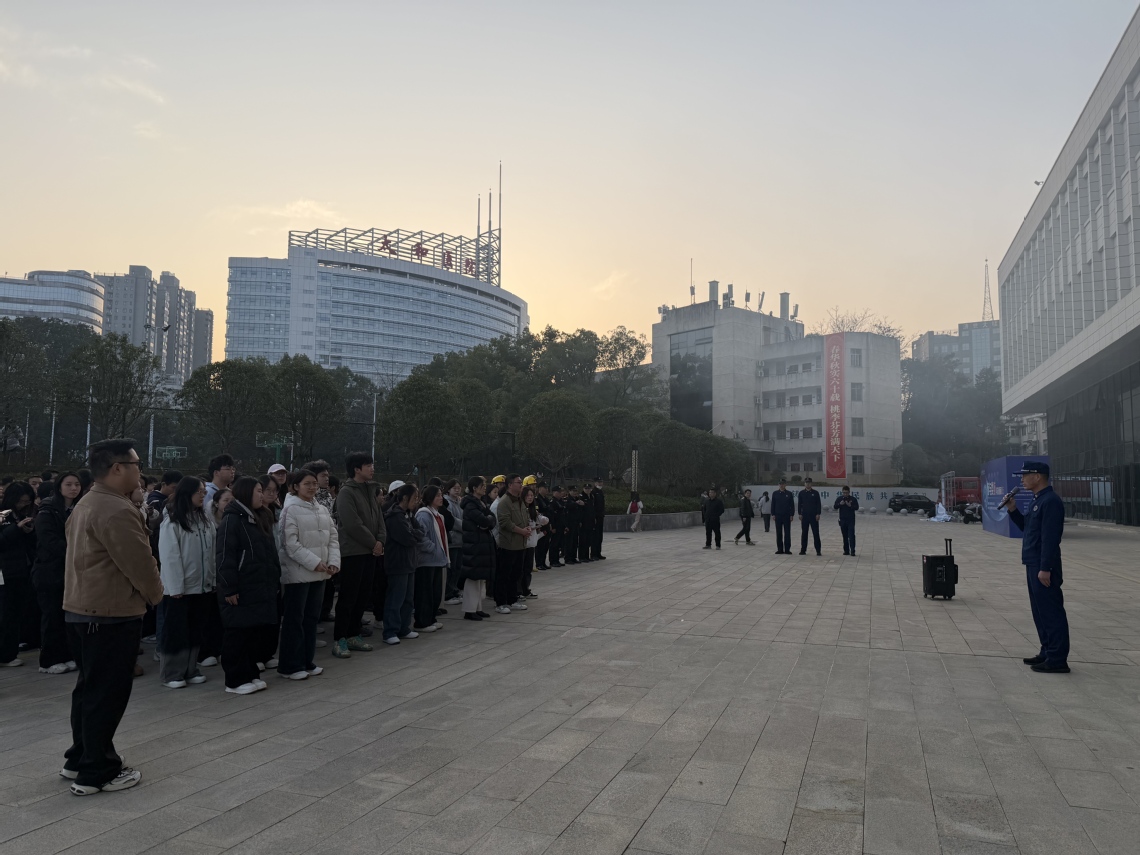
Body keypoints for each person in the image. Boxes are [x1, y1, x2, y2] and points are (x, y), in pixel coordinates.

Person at [61, 438, 163, 795]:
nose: (140, 471)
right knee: (106, 693)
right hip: (109, 613)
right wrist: (156, 596)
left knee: (89, 689)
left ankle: (79, 758)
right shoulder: (116, 509)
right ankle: (97, 771)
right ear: (118, 468)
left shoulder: (89, 501)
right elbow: (141, 564)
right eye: (136, 464)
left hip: (81, 610)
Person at [1001, 461, 1070, 674]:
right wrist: (1012, 509)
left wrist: (1046, 567)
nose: (1021, 479)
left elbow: (1050, 538)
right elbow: (1027, 527)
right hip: (1033, 562)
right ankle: (1047, 651)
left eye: (1025, 475)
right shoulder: (1038, 500)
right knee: (1040, 611)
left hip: (1043, 565)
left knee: (1051, 612)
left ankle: (1057, 658)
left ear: (1038, 476)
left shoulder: (1051, 502)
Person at [215, 477, 280, 695]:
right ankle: (234, 680)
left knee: (253, 632)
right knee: (237, 633)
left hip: (258, 585)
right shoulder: (232, 520)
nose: (262, 495)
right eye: (259, 491)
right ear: (245, 492)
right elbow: (224, 556)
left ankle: (250, 673)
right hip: (240, 588)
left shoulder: (260, 517)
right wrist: (229, 587)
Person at [278, 468, 339, 677]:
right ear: (295, 487)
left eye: (314, 483)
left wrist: (333, 562)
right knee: (295, 619)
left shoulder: (321, 509)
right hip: (298, 574)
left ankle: (307, 661)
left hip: (320, 573)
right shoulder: (290, 510)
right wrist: (314, 563)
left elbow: (333, 537)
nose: (312, 487)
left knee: (311, 619)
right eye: (307, 484)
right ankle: (289, 666)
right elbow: (290, 544)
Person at [157, 477, 215, 689]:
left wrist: (212, 580)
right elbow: (170, 557)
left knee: (195, 630)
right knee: (176, 632)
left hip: (202, 587)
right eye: (199, 491)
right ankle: (172, 673)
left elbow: (211, 554)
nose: (202, 495)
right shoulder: (173, 522)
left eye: (203, 491)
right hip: (179, 590)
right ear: (186, 493)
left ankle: (190, 669)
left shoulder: (205, 521)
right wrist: (175, 587)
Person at [334, 452, 385, 658]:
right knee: (348, 596)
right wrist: (374, 543)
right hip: (353, 552)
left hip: (370, 552)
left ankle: (354, 634)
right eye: (368, 465)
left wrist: (381, 540)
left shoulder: (370, 490)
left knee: (363, 596)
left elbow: (379, 519)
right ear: (356, 469)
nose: (372, 468)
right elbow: (352, 524)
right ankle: (340, 638)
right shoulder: (346, 492)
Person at [32, 473, 81, 674]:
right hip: (49, 570)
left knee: (66, 616)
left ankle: (66, 655)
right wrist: (75, 550)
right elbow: (48, 540)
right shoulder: (47, 509)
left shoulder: (78, 508)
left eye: (77, 484)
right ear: (59, 487)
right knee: (52, 616)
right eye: (68, 484)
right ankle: (48, 661)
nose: (73, 488)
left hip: (70, 570)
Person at [0, 481, 38, 667]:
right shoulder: (3, 515)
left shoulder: (23, 514)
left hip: (23, 569)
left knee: (16, 613)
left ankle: (9, 652)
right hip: (6, 571)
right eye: (21, 501)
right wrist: (16, 529)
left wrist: (29, 532)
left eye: (27, 501)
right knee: (6, 613)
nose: (24, 504)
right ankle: (5, 655)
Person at [382, 483, 425, 644]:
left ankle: (404, 628)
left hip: (409, 562)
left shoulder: (409, 515)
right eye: (415, 498)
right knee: (396, 598)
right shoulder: (394, 516)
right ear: (405, 498)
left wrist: (413, 533)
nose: (417, 501)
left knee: (408, 599)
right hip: (398, 562)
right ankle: (390, 631)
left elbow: (421, 532)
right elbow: (407, 539)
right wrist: (414, 534)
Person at [495, 474, 532, 613]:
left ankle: (512, 600)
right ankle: (501, 603)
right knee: (504, 574)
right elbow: (505, 523)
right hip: (508, 545)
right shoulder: (504, 502)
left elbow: (524, 517)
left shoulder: (519, 500)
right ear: (510, 485)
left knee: (516, 574)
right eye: (518, 482)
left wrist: (527, 528)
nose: (521, 484)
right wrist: (521, 531)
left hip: (520, 544)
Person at [413, 485, 448, 632]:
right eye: (438, 495)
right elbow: (420, 537)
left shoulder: (437, 515)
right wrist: (433, 548)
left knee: (435, 593)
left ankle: (431, 619)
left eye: (441, 495)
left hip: (437, 559)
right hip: (426, 560)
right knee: (425, 593)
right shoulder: (424, 514)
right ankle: (422, 622)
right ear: (430, 497)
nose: (441, 498)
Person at [459, 477, 495, 621]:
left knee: (480, 578)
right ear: (474, 488)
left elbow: (492, 518)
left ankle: (478, 608)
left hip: (481, 545)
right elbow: (485, 520)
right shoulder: (470, 504)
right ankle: (469, 610)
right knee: (473, 578)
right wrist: (488, 521)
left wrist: (488, 521)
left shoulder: (481, 502)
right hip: (474, 545)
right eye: (482, 485)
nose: (484, 487)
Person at [521, 485, 547, 599]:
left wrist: (542, 520)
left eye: (531, 495)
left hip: (531, 543)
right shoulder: (520, 508)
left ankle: (526, 589)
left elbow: (541, 520)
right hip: (522, 543)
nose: (530, 497)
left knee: (528, 568)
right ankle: (519, 591)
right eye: (527, 495)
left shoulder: (533, 510)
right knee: (520, 569)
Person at [442, 479, 464, 604]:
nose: (457, 490)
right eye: (454, 488)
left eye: (458, 488)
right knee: (451, 568)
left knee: (458, 568)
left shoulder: (459, 502)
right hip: (452, 540)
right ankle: (448, 593)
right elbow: (452, 520)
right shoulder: (447, 503)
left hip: (460, 540)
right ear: (448, 489)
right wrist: (465, 526)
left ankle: (454, 590)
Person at [203, 454, 235, 518]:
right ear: (216, 473)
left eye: (233, 469)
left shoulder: (231, 492)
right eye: (228, 469)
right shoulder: (207, 492)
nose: (232, 472)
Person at [797, 478, 822, 556]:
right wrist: (799, 513)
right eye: (806, 483)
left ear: (811, 484)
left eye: (809, 483)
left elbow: (818, 504)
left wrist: (818, 513)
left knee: (816, 533)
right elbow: (799, 504)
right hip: (804, 516)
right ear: (804, 484)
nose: (808, 484)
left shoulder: (815, 493)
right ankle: (803, 550)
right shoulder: (801, 493)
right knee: (804, 533)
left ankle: (818, 550)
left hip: (814, 516)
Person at [834, 486, 859, 556]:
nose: (845, 494)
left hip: (850, 520)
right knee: (844, 535)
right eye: (844, 493)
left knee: (851, 535)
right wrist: (840, 504)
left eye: (846, 493)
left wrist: (850, 505)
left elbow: (857, 507)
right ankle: (846, 550)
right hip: (842, 519)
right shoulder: (839, 499)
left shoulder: (853, 499)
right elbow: (835, 506)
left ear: (849, 492)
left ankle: (853, 550)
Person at [771, 479, 795, 554]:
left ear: (785, 485)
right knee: (779, 533)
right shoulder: (775, 493)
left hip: (786, 516)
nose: (782, 485)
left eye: (783, 484)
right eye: (780, 484)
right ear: (778, 485)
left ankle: (787, 549)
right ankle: (780, 549)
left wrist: (791, 514)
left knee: (787, 533)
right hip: (778, 516)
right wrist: (773, 514)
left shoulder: (789, 494)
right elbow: (773, 504)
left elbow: (792, 505)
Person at [590, 477, 607, 560]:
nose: (600, 484)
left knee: (600, 536)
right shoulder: (593, 492)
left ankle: (598, 553)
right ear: (595, 483)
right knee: (595, 536)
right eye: (598, 482)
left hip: (600, 516)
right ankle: (593, 554)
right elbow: (592, 506)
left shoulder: (600, 492)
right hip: (595, 517)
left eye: (601, 482)